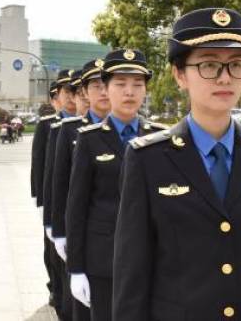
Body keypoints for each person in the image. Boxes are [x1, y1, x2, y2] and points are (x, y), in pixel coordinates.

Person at [112, 8, 241, 321]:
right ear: (179, 74)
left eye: (236, 64)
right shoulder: (148, 159)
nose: (225, 77)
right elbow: (132, 273)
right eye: (209, 65)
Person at [66, 49, 167, 321]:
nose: (129, 92)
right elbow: (77, 207)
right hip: (104, 260)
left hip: (153, 257)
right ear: (107, 89)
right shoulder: (89, 139)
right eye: (120, 84)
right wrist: (76, 268)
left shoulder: (160, 137)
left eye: (137, 84)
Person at [51, 59, 111, 321]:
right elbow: (60, 185)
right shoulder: (72, 131)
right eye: (96, 86)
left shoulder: (144, 133)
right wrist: (56, 229)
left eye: (106, 84)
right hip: (89, 237)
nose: (104, 92)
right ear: (84, 91)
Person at [43, 69, 78, 320]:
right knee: (54, 255)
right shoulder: (53, 127)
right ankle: (55, 288)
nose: (71, 98)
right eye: (66, 92)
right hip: (57, 203)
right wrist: (44, 206)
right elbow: (45, 169)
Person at [30, 80, 63, 308]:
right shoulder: (47, 125)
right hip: (51, 198)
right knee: (51, 248)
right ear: (54, 99)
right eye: (65, 93)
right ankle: (54, 286)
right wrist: (40, 198)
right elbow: (39, 161)